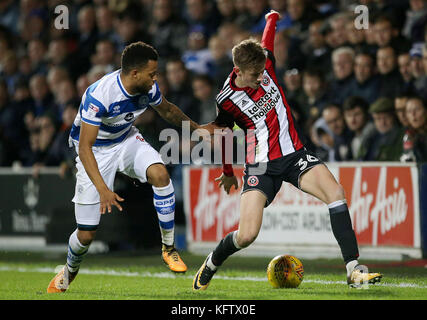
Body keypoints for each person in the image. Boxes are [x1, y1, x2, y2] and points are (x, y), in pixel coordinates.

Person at [192, 11, 382, 291]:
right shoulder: (226, 99)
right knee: (246, 236)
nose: (261, 77)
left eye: (263, 71)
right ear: (238, 71)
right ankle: (212, 262)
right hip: (260, 166)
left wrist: (272, 20)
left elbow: (267, 41)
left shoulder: (266, 65)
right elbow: (222, 133)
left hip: (295, 155)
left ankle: (354, 270)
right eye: (255, 74)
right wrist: (227, 172)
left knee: (336, 194)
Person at [47, 41, 215, 293]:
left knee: (160, 174)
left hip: (125, 139)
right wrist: (103, 189)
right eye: (152, 74)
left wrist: (198, 129)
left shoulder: (148, 88)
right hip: (95, 151)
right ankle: (69, 270)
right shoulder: (99, 95)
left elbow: (167, 111)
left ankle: (168, 248)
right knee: (86, 235)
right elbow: (85, 147)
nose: (155, 78)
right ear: (134, 73)